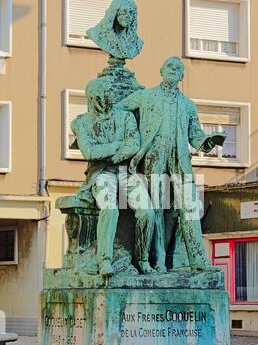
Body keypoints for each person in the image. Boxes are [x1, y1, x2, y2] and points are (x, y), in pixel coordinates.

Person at [115, 56, 226, 273]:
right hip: (153, 157)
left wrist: (209, 142)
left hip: (179, 160)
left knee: (190, 207)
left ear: (182, 76)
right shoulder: (146, 96)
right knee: (156, 210)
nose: (174, 69)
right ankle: (158, 261)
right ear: (161, 70)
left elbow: (196, 137)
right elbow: (118, 110)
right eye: (170, 66)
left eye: (178, 68)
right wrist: (129, 137)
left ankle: (198, 260)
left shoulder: (187, 105)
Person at [71, 77, 155, 277]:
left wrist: (111, 152)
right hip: (101, 173)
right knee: (109, 208)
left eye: (108, 95)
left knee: (147, 212)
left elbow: (134, 144)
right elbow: (89, 153)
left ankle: (142, 259)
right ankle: (104, 261)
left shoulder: (125, 117)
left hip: (126, 171)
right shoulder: (83, 122)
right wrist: (118, 144)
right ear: (91, 98)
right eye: (100, 96)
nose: (105, 100)